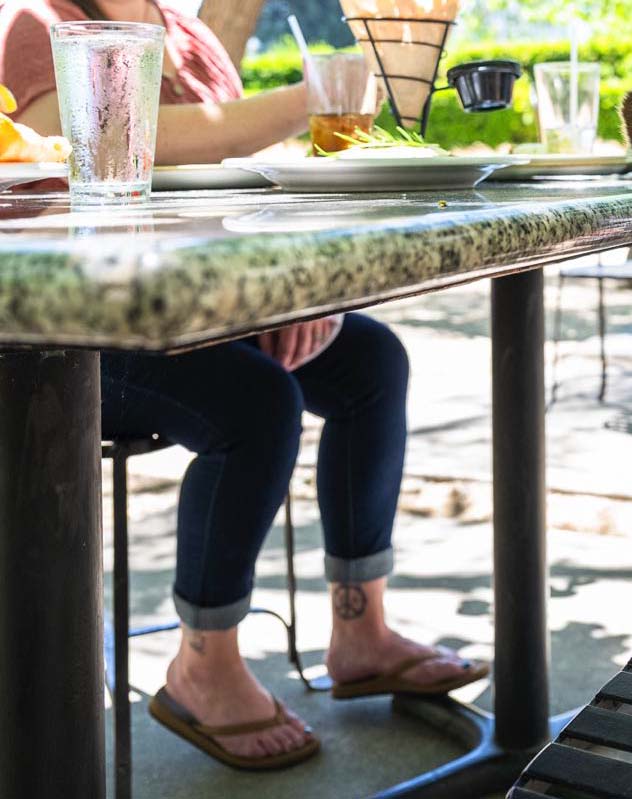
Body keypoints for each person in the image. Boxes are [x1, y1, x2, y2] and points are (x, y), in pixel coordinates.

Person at [0, 0, 487, 769]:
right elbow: (119, 142)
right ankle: (205, 661)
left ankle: (360, 629)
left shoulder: (188, 34)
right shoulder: (46, 24)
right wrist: (324, 95)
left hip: (216, 300)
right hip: (93, 323)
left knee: (371, 363)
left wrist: (301, 295)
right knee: (258, 403)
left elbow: (244, 189)